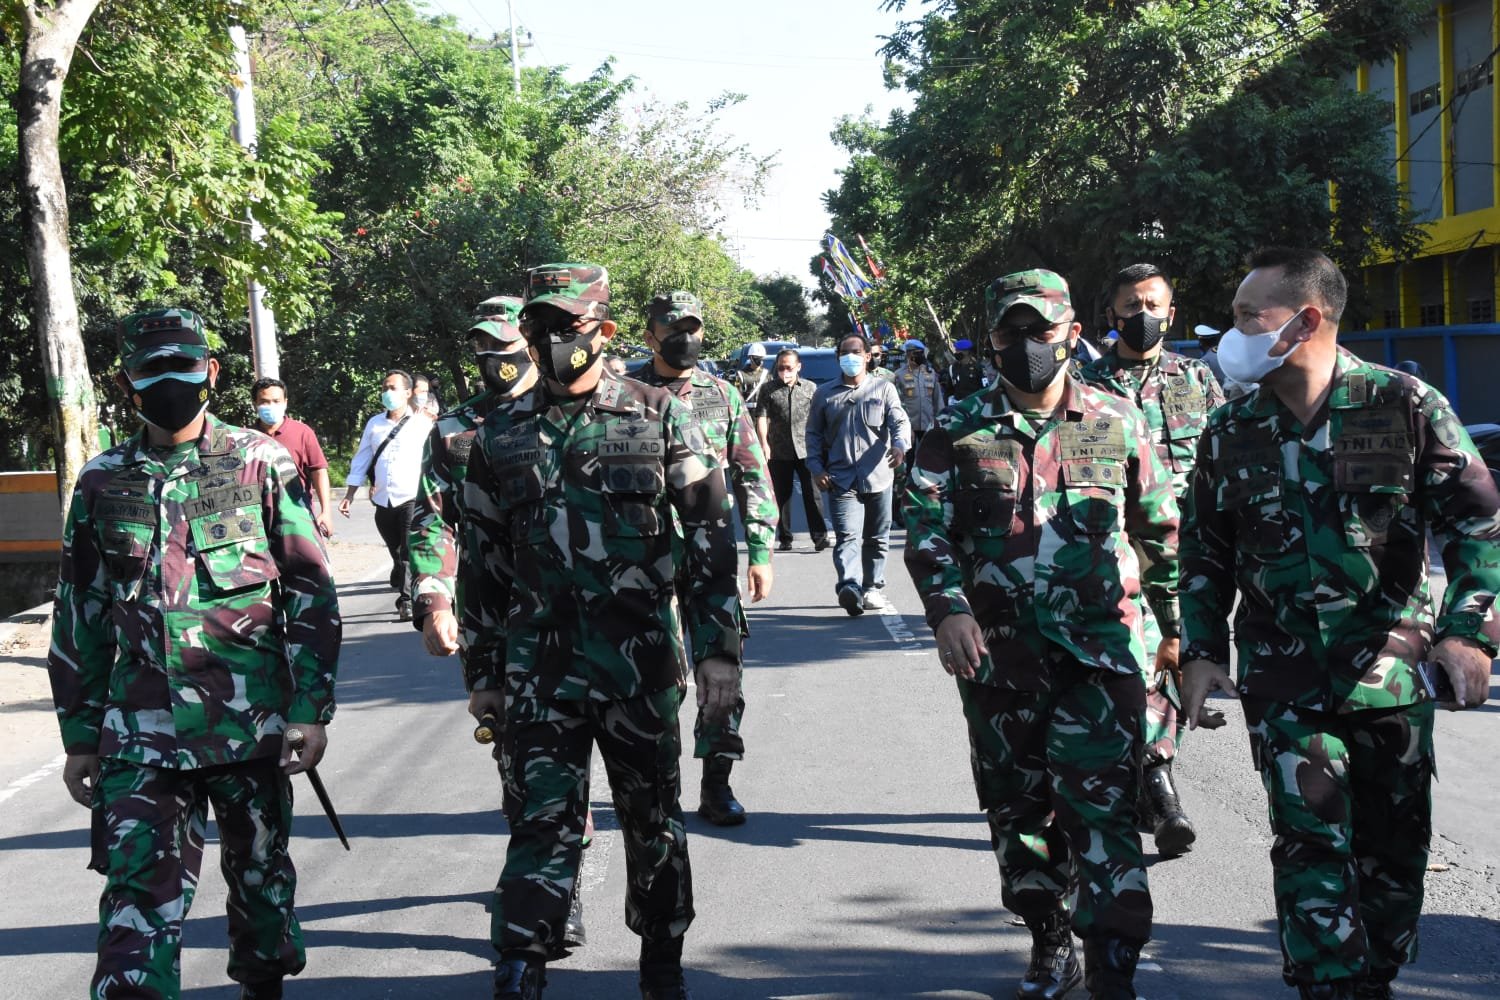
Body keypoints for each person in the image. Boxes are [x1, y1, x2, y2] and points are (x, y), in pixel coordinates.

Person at [1179, 247, 1500, 1000]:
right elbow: (1204, 552)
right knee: (1308, 845)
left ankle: (1375, 972)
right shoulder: (1231, 431)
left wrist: (1467, 632)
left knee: (1395, 855)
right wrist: (1200, 650)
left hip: (1391, 677)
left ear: (1306, 320)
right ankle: (1331, 986)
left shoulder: (1407, 407)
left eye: (1244, 317)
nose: (1231, 333)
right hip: (1284, 682)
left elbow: (1479, 529)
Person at [463, 263, 744, 999]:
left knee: (652, 823)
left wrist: (720, 652)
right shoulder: (497, 436)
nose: (556, 341)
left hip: (639, 666)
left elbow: (711, 541)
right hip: (538, 673)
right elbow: (482, 566)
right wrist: (483, 674)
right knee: (541, 821)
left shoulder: (659, 415)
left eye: (571, 327)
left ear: (605, 331)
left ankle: (661, 961)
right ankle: (521, 962)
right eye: (542, 328)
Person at [48, 307, 341, 1000]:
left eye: (184, 366)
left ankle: (263, 985)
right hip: (139, 736)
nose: (170, 382)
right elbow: (80, 613)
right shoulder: (100, 481)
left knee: (261, 887)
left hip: (250, 725)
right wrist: (80, 733)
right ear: (128, 382)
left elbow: (309, 588)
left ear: (211, 371)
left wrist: (311, 707)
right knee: (134, 906)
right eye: (153, 370)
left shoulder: (260, 462)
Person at [905, 269, 1178, 1000]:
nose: (1026, 345)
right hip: (1001, 662)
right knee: (1019, 815)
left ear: (1073, 334)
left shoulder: (1117, 419)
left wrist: (1176, 639)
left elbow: (1161, 533)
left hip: (1102, 656)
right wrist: (947, 608)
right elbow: (927, 533)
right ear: (990, 340)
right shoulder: (956, 431)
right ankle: (1049, 936)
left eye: (1041, 330)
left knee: (1104, 812)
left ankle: (1114, 968)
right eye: (1009, 332)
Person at [1078, 262, 1225, 858]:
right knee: (1138, 662)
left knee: (1172, 659)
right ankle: (1158, 783)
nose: (1143, 316)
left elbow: (1221, 465)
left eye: (1153, 305)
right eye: (1131, 305)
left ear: (1172, 311)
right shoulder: (1083, 388)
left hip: (1187, 552)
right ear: (1110, 315)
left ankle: (1148, 773)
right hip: (1117, 555)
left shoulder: (1198, 382)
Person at [631, 289, 778, 827]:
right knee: (657, 679)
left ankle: (717, 782)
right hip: (642, 562)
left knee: (723, 674)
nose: (684, 338)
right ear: (649, 334)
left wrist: (760, 548)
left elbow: (752, 474)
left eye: (692, 328)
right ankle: (662, 783)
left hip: (710, 560)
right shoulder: (623, 395)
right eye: (672, 329)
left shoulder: (723, 395)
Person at [806, 334, 911, 616]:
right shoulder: (824, 393)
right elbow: (813, 434)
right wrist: (816, 468)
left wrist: (900, 446)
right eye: (844, 352)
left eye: (855, 352)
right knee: (847, 536)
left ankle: (872, 586)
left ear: (867, 356)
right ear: (838, 357)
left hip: (879, 476)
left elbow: (899, 421)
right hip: (840, 478)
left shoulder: (884, 389)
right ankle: (849, 587)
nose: (849, 357)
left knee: (877, 537)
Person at [338, 370, 428, 621]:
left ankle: (406, 601)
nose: (387, 392)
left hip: (411, 496)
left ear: (408, 392)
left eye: (393, 387)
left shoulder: (422, 424)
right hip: (383, 500)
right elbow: (363, 458)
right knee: (397, 551)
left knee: (408, 551)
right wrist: (350, 494)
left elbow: (433, 461)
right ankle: (399, 570)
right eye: (385, 387)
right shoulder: (374, 424)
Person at [754, 348, 831, 553]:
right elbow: (761, 417)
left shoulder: (810, 388)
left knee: (812, 494)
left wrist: (823, 445)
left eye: (789, 367)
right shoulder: (768, 389)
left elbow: (820, 418)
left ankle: (820, 537)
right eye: (781, 367)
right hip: (779, 451)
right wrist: (764, 443)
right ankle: (785, 537)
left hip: (807, 450)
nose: (784, 371)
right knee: (782, 496)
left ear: (798, 367)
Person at [251, 377, 334, 538]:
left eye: (276, 401)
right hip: (259, 521)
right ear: (255, 403)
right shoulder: (248, 437)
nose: (271, 406)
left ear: (285, 402)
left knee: (306, 561)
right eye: (264, 401)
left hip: (298, 516)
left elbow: (319, 472)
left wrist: (326, 512)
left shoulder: (303, 433)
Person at [893, 339, 944, 444]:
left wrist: (941, 420)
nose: (920, 356)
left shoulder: (930, 373)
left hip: (928, 423)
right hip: (908, 425)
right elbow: (897, 402)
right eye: (916, 353)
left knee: (929, 456)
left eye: (921, 353)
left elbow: (938, 399)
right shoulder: (899, 375)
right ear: (909, 354)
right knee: (909, 457)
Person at [731, 342, 771, 407]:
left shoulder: (767, 374)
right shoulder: (740, 375)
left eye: (761, 358)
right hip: (747, 411)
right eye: (757, 358)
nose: (760, 360)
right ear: (750, 358)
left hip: (763, 412)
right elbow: (737, 394)